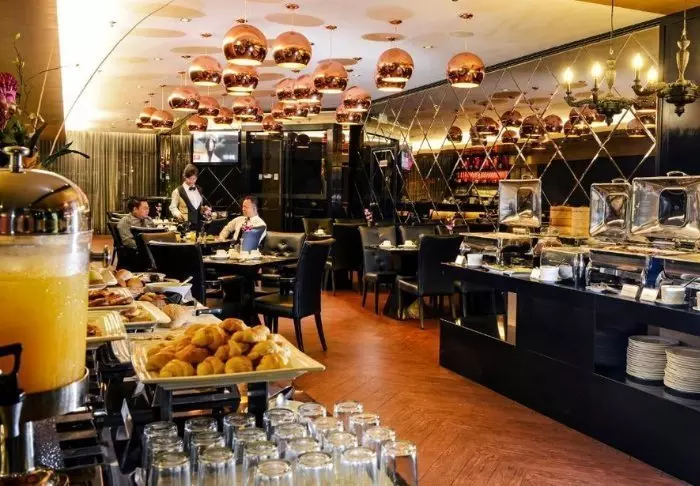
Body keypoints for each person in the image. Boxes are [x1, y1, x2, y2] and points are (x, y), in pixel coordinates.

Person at [169, 164, 209, 230]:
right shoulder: (177, 191)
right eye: (189, 178)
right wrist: (178, 214)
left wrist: (203, 209)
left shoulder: (199, 189)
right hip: (185, 225)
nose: (191, 181)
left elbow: (196, 207)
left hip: (199, 225)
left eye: (194, 179)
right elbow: (172, 207)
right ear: (184, 177)